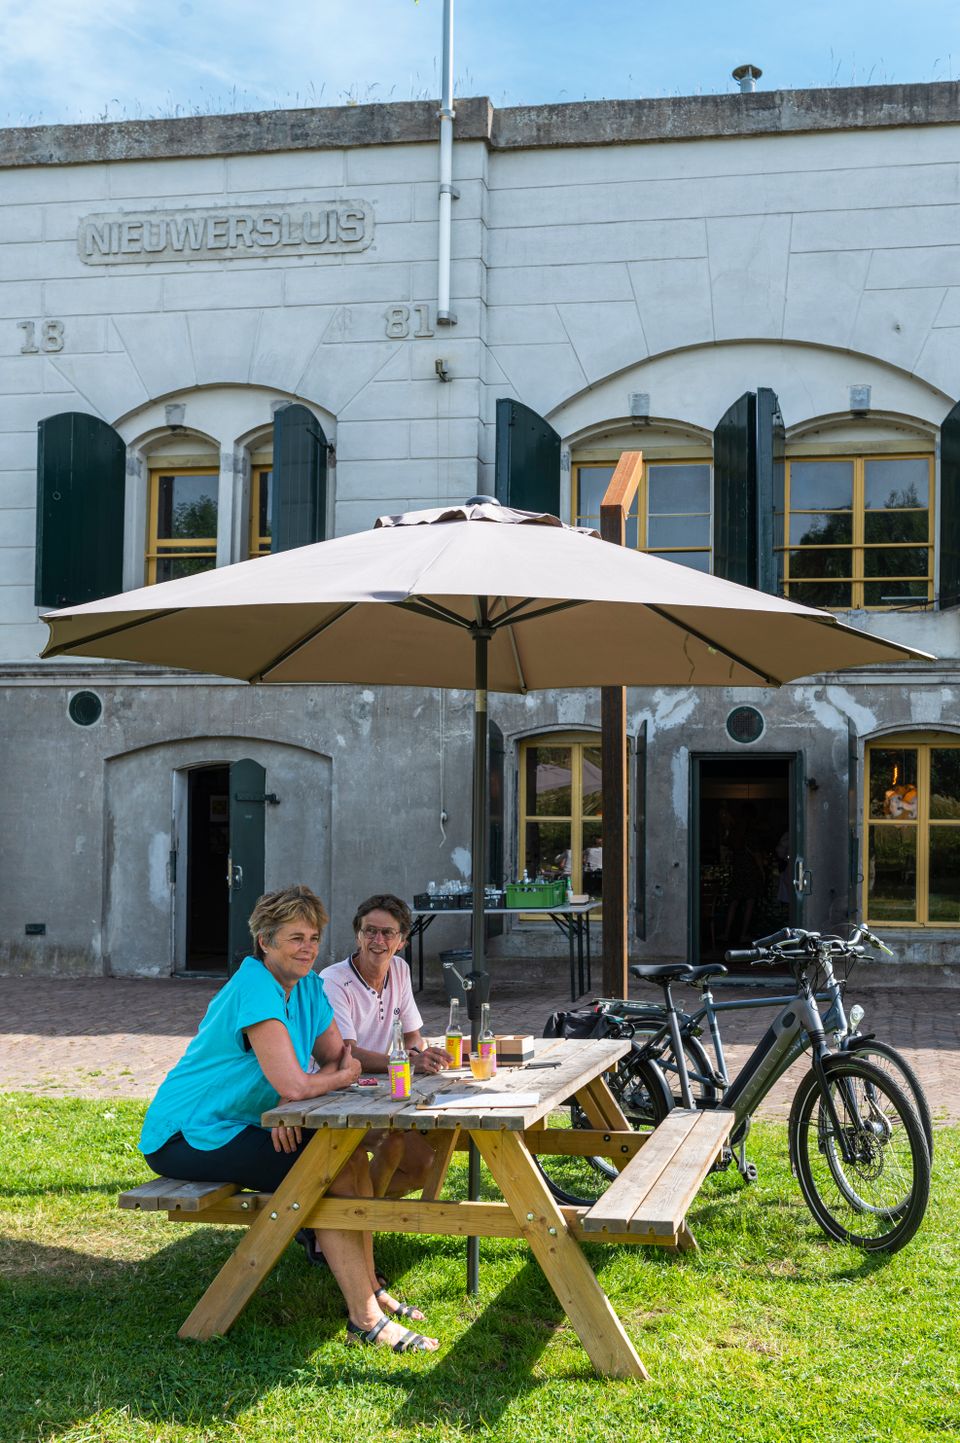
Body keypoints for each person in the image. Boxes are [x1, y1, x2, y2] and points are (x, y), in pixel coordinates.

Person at [139, 883, 436, 1354]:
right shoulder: (254, 987)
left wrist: (317, 1086)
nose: (308, 949)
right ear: (266, 941)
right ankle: (364, 1315)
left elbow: (338, 1053)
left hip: (245, 1123)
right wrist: (324, 1085)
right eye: (296, 938)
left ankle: (371, 1291)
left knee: (350, 1158)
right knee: (331, 1168)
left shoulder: (308, 988)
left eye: (314, 938)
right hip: (190, 1134)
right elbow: (299, 1083)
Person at [316, 894, 451, 1200]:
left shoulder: (399, 970)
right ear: (357, 935)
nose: (377, 940)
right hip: (338, 1095)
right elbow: (344, 1053)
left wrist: (419, 1056)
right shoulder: (333, 980)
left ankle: (340, 1219)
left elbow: (413, 1035)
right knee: (392, 1144)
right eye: (369, 931)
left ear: (401, 940)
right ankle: (344, 1224)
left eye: (387, 933)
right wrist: (405, 1063)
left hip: (383, 1091)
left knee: (425, 1167)